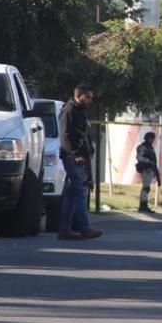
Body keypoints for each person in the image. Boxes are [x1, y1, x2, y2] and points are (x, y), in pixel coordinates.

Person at [58, 84, 102, 240]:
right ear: (79, 96)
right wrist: (75, 154)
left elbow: (83, 134)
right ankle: (85, 228)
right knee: (81, 191)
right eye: (88, 97)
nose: (90, 100)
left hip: (81, 156)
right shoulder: (69, 111)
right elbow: (65, 137)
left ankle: (64, 229)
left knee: (72, 194)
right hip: (72, 157)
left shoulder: (80, 111)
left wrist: (88, 150)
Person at [135, 131, 161, 213]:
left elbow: (154, 162)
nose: (152, 140)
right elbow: (139, 157)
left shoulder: (150, 147)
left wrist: (157, 176)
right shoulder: (143, 147)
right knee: (145, 188)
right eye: (151, 138)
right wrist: (148, 161)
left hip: (151, 170)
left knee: (147, 188)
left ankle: (144, 205)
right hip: (146, 170)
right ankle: (143, 206)